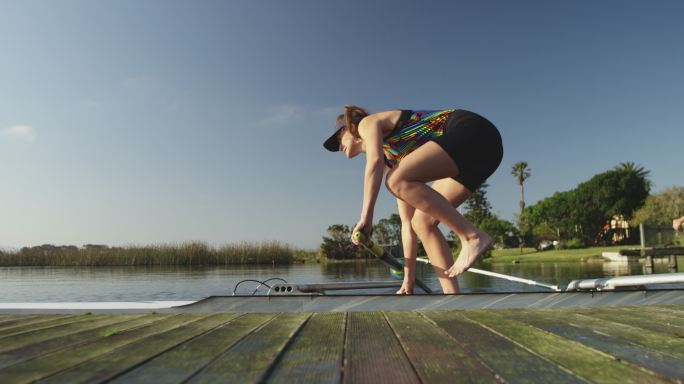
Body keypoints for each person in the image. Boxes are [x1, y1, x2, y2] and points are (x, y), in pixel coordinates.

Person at [323, 105, 503, 294]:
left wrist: (366, 218)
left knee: (395, 180)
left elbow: (374, 162)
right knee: (421, 222)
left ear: (349, 128)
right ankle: (453, 298)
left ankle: (472, 236)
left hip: (475, 132)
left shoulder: (366, 123)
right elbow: (407, 225)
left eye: (338, 138)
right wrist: (408, 281)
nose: (338, 147)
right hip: (482, 158)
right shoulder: (394, 161)